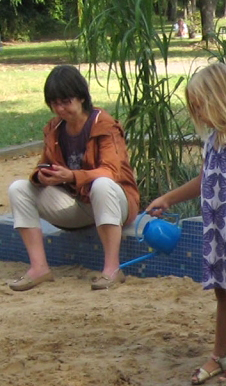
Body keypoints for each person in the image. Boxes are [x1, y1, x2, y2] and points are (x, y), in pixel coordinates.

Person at [146, 62, 226, 386]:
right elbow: (205, 179)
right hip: (218, 231)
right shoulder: (214, 140)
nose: (198, 113)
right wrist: (169, 198)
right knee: (222, 292)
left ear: (220, 99)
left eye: (201, 106)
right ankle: (220, 354)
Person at [7, 65, 140, 292]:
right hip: (77, 204)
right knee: (18, 188)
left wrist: (72, 175)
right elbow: (44, 163)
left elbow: (112, 171)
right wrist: (43, 177)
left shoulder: (104, 124)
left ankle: (112, 269)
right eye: (55, 103)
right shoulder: (54, 128)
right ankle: (39, 268)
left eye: (65, 102)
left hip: (115, 203)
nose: (60, 109)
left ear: (81, 98)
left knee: (101, 184)